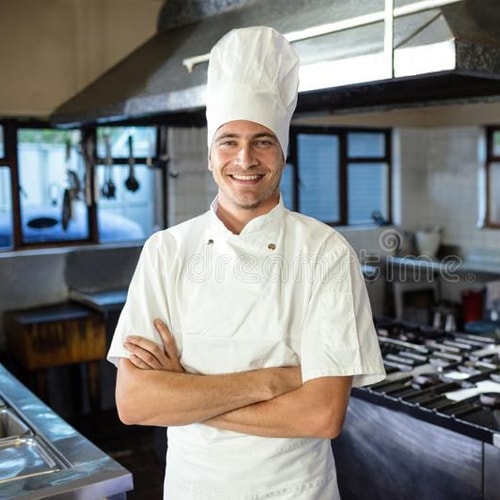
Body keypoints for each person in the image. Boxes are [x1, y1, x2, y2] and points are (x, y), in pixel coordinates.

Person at [107, 26, 385, 500]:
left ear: (283, 153)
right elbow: (135, 403)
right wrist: (276, 380)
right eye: (228, 141)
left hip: (296, 491)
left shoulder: (326, 252)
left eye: (263, 141)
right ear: (210, 155)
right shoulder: (166, 251)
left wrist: (185, 393)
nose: (245, 158)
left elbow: (321, 415)